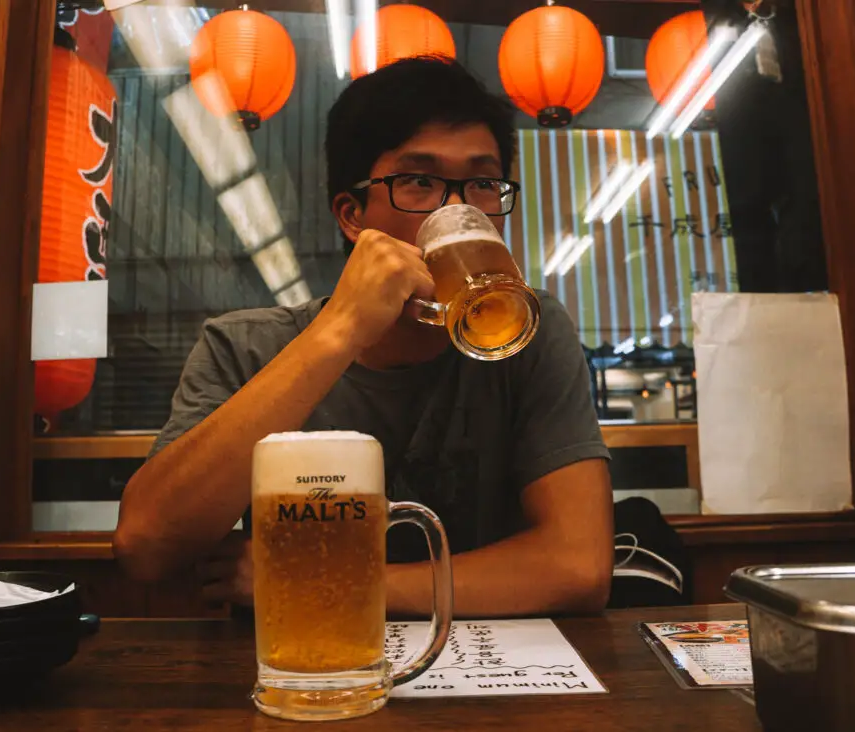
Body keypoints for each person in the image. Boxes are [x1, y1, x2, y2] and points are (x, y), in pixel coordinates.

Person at [113, 57, 614, 618]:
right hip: (300, 676)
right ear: (353, 216)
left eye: (481, 183)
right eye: (419, 181)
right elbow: (147, 547)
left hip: (499, 683)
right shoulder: (245, 347)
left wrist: (317, 582)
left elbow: (578, 565)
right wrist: (340, 330)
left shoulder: (531, 334)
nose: (459, 209)